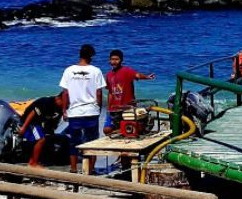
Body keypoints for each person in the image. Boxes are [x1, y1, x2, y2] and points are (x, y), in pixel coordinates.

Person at [58, 43, 106, 174]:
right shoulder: (96, 71)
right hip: (91, 111)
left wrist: (64, 110)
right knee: (92, 143)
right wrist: (99, 108)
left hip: (74, 112)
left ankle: (73, 169)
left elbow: (65, 93)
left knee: (74, 143)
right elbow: (99, 93)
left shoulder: (68, 71)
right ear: (91, 56)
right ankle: (90, 170)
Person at [103, 49, 155, 136]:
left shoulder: (126, 71)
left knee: (130, 129)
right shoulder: (108, 75)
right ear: (109, 60)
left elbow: (137, 75)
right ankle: (121, 130)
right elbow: (110, 92)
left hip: (127, 108)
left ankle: (130, 129)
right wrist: (109, 108)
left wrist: (146, 77)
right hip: (114, 109)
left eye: (116, 59)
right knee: (106, 130)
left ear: (121, 60)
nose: (114, 62)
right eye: (112, 59)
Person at [17, 94, 67, 168]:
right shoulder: (47, 102)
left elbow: (54, 122)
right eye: (66, 103)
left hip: (40, 123)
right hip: (30, 121)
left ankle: (35, 159)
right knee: (41, 139)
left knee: (50, 138)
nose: (67, 105)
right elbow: (32, 113)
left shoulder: (61, 108)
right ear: (59, 99)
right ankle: (33, 163)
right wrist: (24, 127)